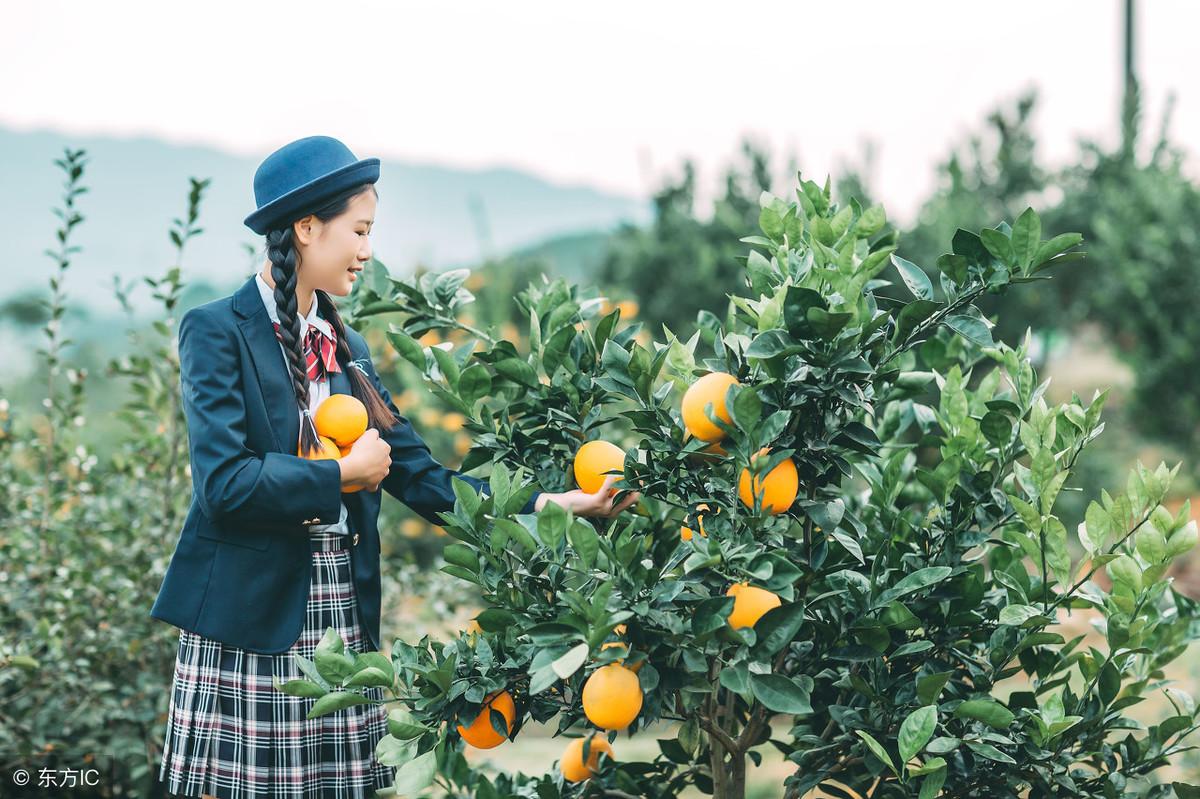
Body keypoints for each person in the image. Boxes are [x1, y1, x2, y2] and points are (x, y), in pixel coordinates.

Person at [150, 135, 640, 798]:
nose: (366, 249)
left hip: (340, 609)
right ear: (304, 228)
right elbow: (224, 486)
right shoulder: (217, 330)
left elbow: (425, 479)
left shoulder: (346, 347)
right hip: (253, 618)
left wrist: (560, 505)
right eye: (358, 230)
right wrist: (342, 475)